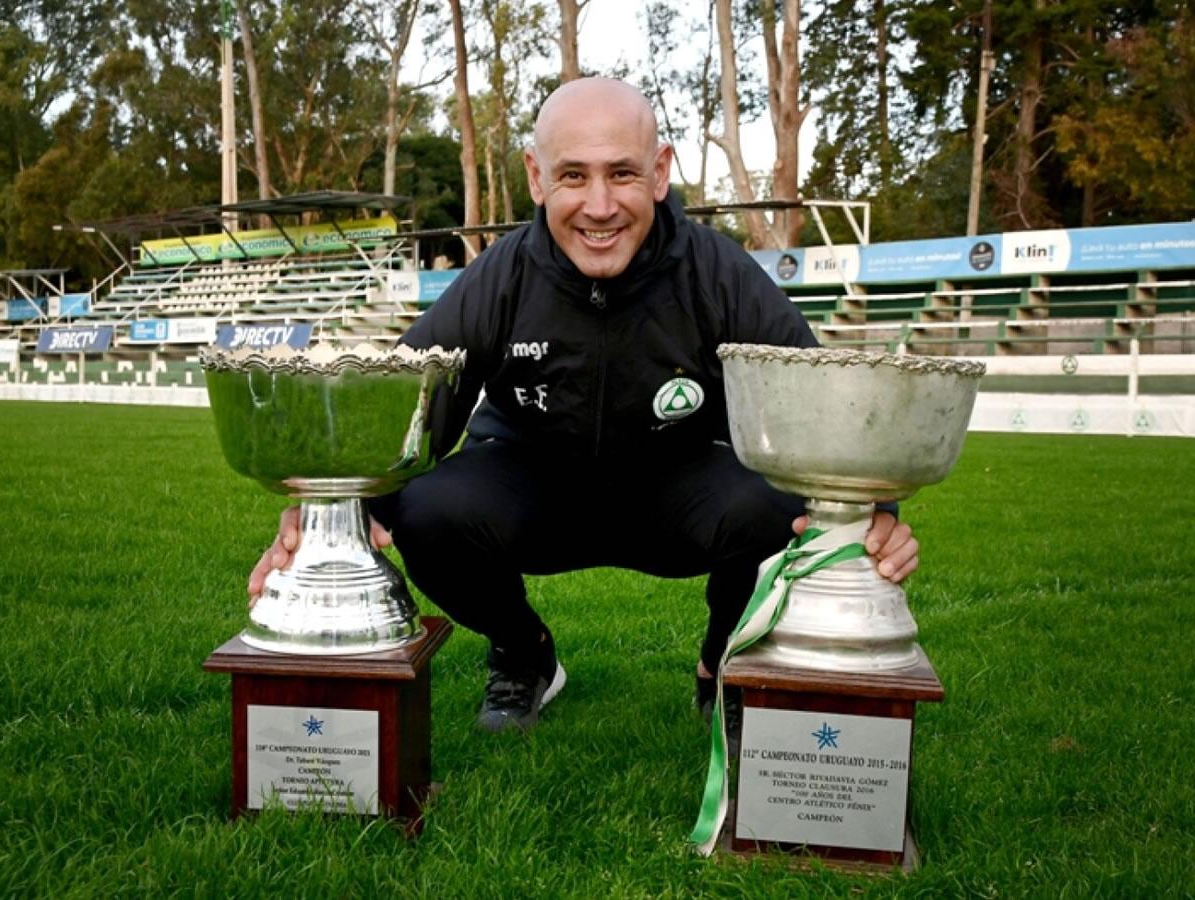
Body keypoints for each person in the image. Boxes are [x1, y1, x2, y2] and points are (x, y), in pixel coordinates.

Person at [249, 78, 918, 734]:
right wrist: (333, 514)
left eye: (622, 174)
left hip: (677, 487)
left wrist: (871, 517)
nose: (599, 206)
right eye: (573, 177)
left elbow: (819, 402)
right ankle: (523, 650)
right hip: (532, 485)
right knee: (429, 512)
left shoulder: (719, 272)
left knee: (776, 506)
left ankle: (725, 658)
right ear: (537, 179)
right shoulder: (502, 274)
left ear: (659, 173)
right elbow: (407, 406)